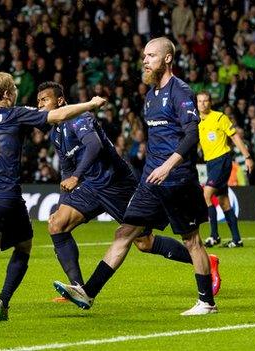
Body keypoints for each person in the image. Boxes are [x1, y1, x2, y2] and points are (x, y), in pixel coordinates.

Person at [53, 37, 217, 315]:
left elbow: (192, 134)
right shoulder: (150, 96)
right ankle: (88, 293)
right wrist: (154, 166)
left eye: (151, 55)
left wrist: (168, 166)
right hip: (150, 182)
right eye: (144, 55)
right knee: (125, 232)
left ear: (167, 59)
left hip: (177, 181)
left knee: (192, 240)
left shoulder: (181, 92)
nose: (145, 60)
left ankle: (206, 302)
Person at [0, 71, 106, 321]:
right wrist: (91, 104)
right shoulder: (15, 113)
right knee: (24, 245)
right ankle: (2, 302)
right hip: (4, 195)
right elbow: (58, 115)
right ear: (8, 94)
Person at [197, 91, 254, 248]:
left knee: (206, 194)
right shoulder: (197, 122)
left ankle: (214, 236)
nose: (203, 104)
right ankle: (237, 239)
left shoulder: (220, 117)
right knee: (224, 202)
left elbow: (235, 137)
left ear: (210, 102)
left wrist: (247, 157)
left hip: (222, 160)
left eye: (205, 100)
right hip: (210, 163)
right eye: (200, 101)